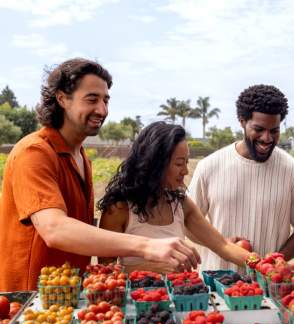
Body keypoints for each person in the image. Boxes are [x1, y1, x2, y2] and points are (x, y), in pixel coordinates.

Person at [0, 58, 199, 291]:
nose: (102, 110)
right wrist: (147, 246)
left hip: (68, 293)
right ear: (62, 98)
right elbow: (54, 229)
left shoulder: (81, 157)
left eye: (106, 100)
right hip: (31, 297)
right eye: (92, 99)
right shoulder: (34, 152)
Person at [98, 121, 251, 274]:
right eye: (179, 163)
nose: (185, 171)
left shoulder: (181, 204)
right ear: (155, 164)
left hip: (180, 296)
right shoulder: (119, 209)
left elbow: (223, 245)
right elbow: (104, 272)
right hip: (136, 297)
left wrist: (264, 265)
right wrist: (151, 268)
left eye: (186, 162)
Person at [188, 84, 294, 270]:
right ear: (242, 122)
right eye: (259, 129)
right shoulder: (209, 166)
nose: (267, 138)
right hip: (217, 285)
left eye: (274, 130)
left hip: (268, 287)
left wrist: (273, 263)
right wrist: (221, 244)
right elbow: (188, 223)